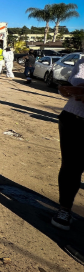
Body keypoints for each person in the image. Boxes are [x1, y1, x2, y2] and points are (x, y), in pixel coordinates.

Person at [51, 53, 84, 231]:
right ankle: (65, 208)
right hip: (73, 118)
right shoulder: (83, 60)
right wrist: (66, 89)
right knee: (71, 166)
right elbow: (71, 85)